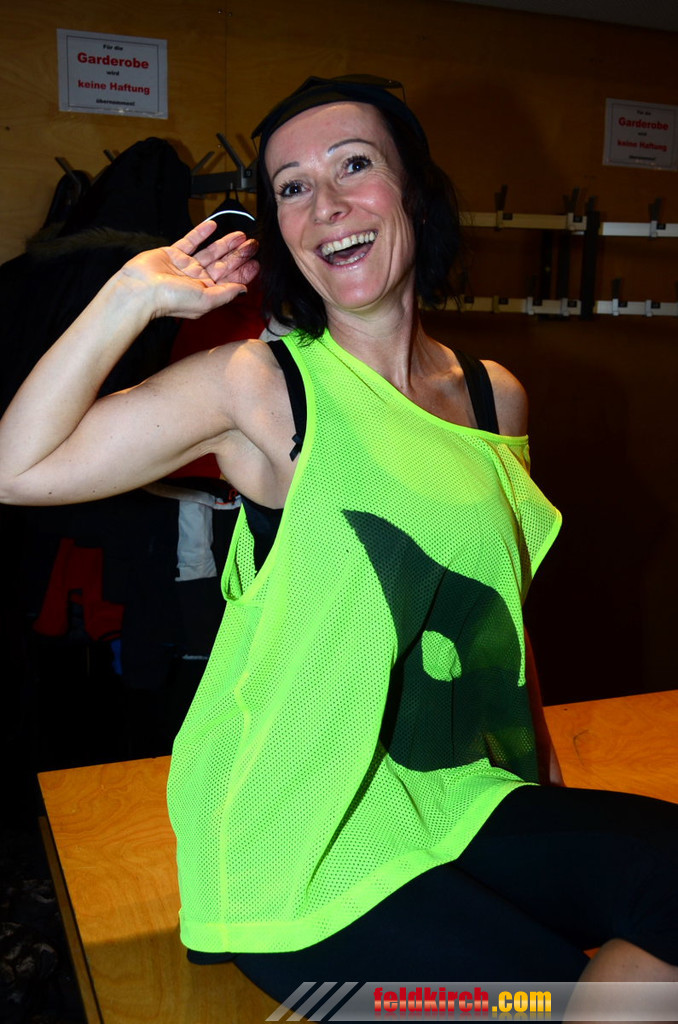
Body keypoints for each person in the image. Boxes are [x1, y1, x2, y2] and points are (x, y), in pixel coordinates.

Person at [0, 76, 676, 1004]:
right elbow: (19, 468)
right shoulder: (260, 386)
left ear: (414, 194)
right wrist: (130, 296)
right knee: (555, 997)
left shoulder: (494, 396)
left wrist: (543, 789)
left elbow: (496, 612)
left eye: (354, 165)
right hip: (297, 844)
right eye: (292, 187)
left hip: (455, 798)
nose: (325, 203)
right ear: (280, 230)